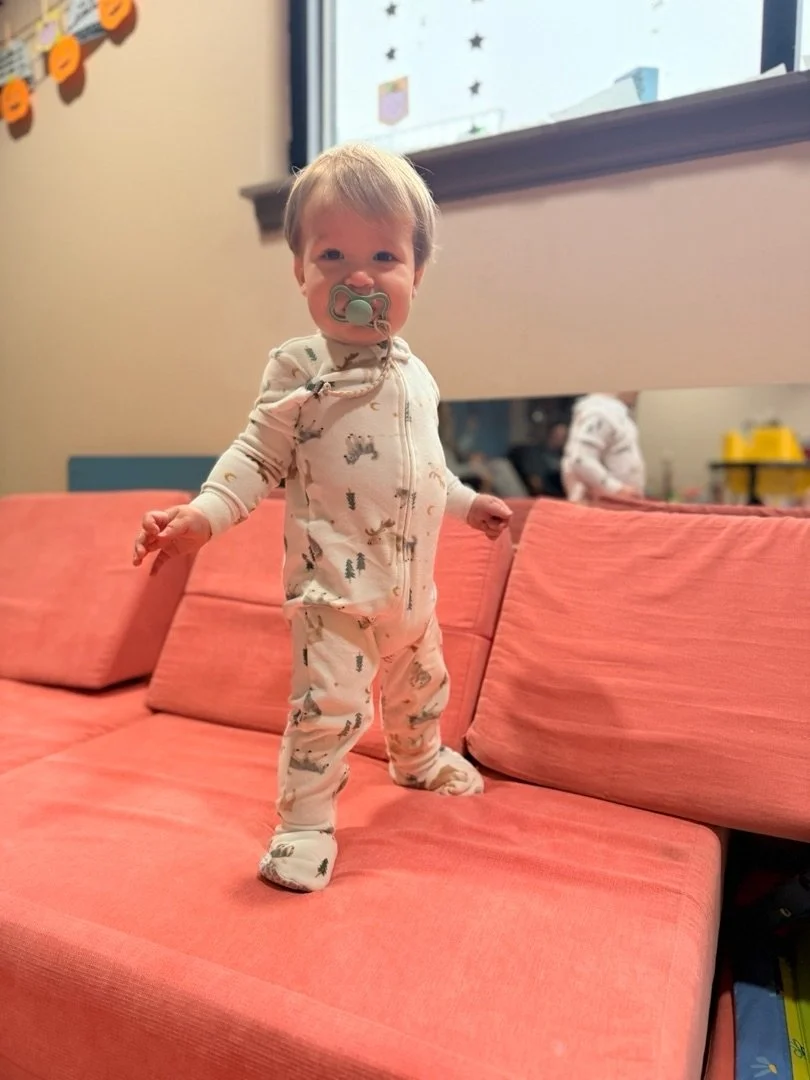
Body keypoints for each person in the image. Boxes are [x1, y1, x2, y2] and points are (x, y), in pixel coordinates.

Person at [132, 143, 512, 893]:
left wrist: (470, 504)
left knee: (422, 685)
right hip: (333, 592)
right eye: (333, 255)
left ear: (417, 273)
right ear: (300, 272)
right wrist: (204, 514)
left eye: (383, 257)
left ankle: (418, 760)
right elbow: (255, 455)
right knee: (327, 708)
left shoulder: (419, 378)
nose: (358, 277)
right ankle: (304, 823)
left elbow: (423, 471)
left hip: (412, 593)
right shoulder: (300, 367)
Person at [562, 392, 645, 503]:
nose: (638, 392)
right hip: (602, 504)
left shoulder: (613, 413)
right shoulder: (602, 412)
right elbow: (580, 459)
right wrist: (617, 489)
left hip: (615, 503)